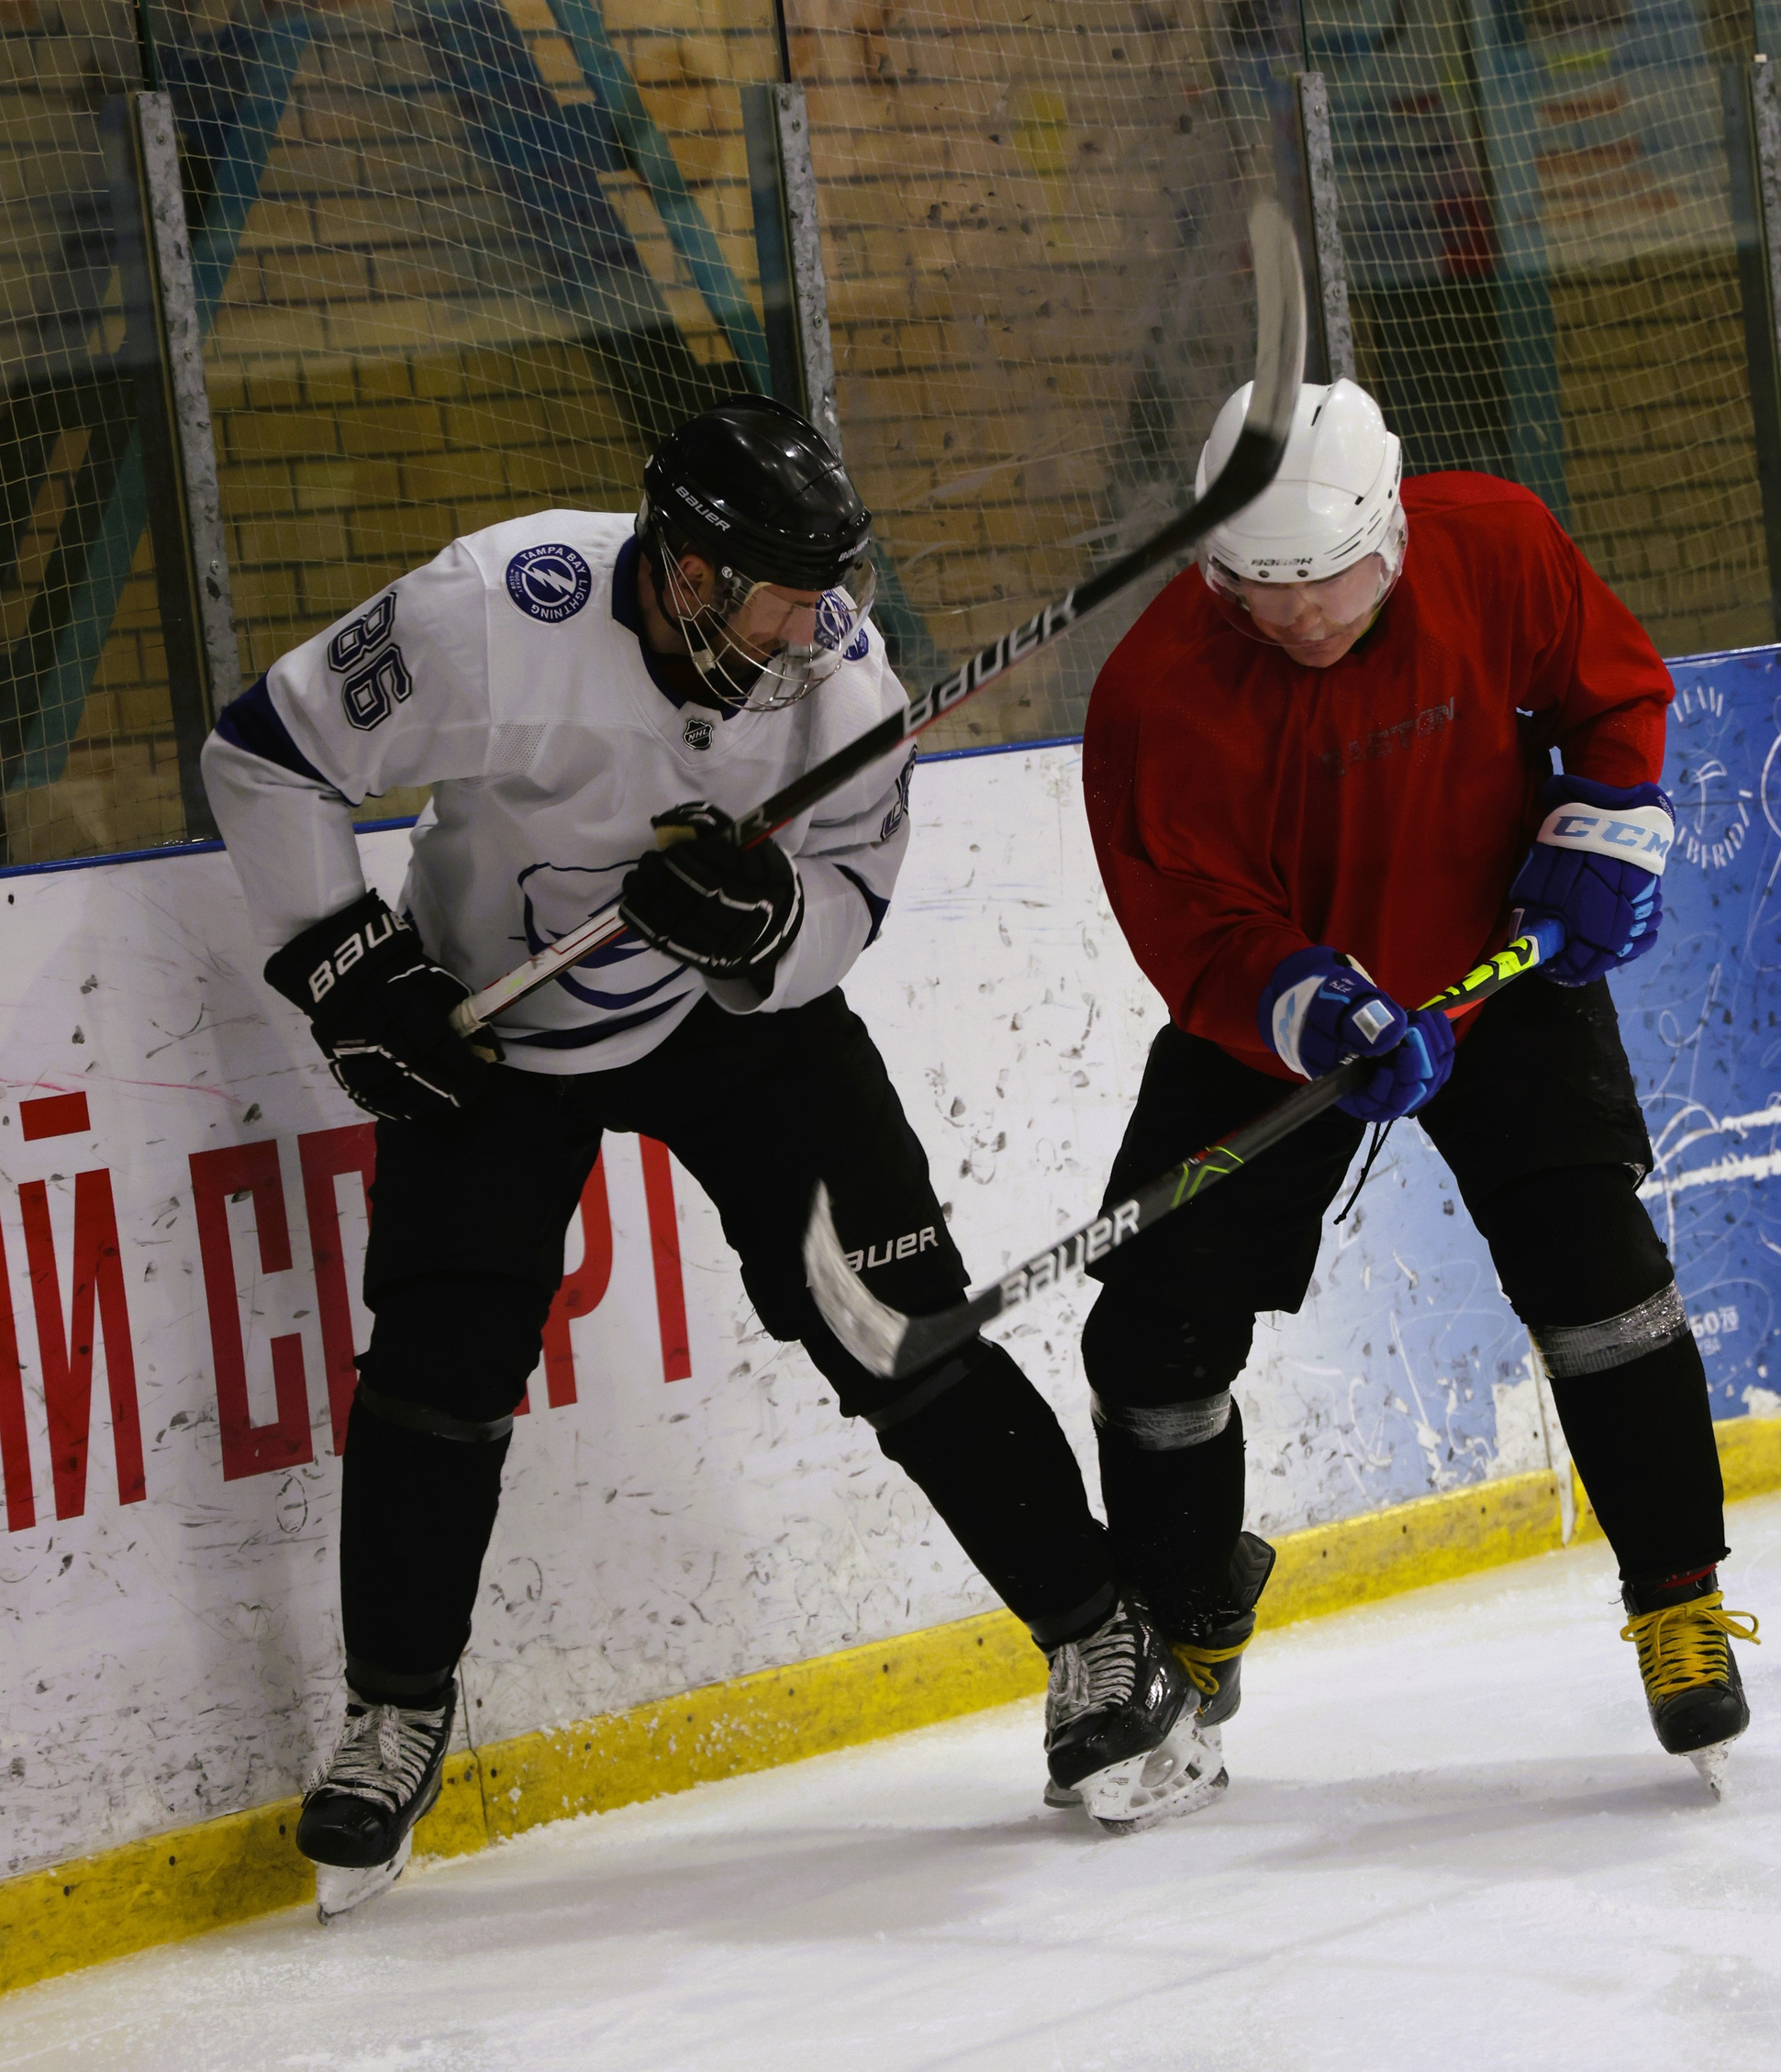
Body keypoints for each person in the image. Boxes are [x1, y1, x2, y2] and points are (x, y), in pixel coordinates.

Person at [202, 397, 1224, 1905]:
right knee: (437, 1358)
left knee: (896, 1326)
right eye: (788, 590)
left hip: (744, 1037)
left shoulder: (842, 689)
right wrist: (346, 970)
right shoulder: (497, 609)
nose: (828, 620)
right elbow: (264, 754)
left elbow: (851, 905)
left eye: (835, 584)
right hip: (493, 1026)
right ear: (688, 574)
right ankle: (397, 1708)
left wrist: (764, 932)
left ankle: (1099, 1633)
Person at [1077, 378, 1757, 1793]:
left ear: (1388, 526)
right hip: (1290, 1020)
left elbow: (1613, 692)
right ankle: (1188, 1626)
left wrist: (1604, 821)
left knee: (1597, 1268)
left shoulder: (1495, 543)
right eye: (1266, 594)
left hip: (1497, 971)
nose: (1306, 621)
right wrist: (1313, 1010)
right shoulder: (1155, 695)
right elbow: (1193, 932)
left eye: (1330, 582)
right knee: (1150, 1341)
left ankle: (1679, 1601)